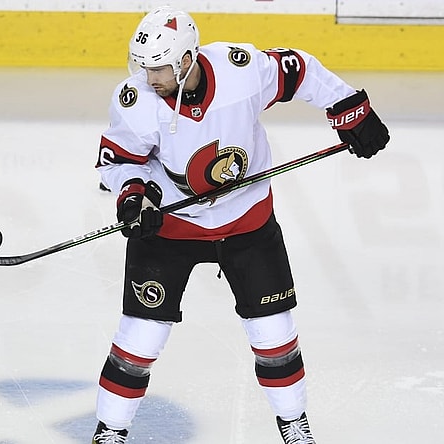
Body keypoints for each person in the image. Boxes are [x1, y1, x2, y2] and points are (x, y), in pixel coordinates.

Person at [92, 6, 389, 443]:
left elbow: (299, 69)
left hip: (246, 221)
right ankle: (110, 431)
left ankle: (293, 423)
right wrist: (133, 195)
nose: (149, 77)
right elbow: (117, 160)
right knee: (140, 338)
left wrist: (350, 109)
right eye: (144, 66)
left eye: (159, 67)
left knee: (274, 333)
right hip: (170, 227)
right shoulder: (136, 102)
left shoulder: (241, 71)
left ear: (186, 61)